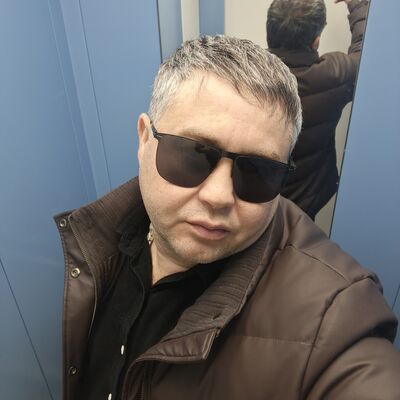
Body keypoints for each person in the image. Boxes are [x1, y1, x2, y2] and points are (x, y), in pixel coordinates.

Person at [55, 35, 399, 400]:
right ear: (144, 139)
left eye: (258, 171)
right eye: (192, 154)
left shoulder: (334, 316)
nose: (218, 196)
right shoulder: (98, 239)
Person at [267, 0, 368, 219]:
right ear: (316, 41)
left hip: (256, 195)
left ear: (269, 32)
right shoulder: (334, 76)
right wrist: (357, 4)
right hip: (307, 198)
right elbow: (365, 51)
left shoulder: (246, 78)